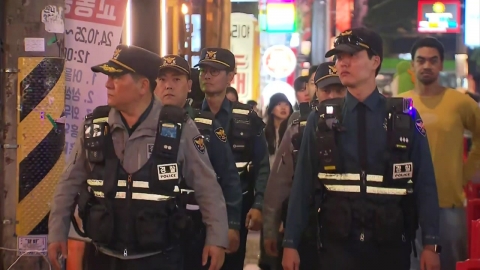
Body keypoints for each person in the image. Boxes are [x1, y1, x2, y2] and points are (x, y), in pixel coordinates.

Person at [47, 45, 228, 270]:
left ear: (143, 86)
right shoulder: (95, 126)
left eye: (116, 77)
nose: (107, 84)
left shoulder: (179, 127)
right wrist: (57, 232)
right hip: (103, 258)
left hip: (160, 259)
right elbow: (68, 184)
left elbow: (207, 187)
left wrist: (217, 239)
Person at [282, 28, 441, 270]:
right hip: (337, 247)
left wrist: (431, 244)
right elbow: (303, 183)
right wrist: (290, 242)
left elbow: (425, 182)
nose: (342, 63)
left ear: (375, 61)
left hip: (390, 247)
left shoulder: (405, 116)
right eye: (338, 57)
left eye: (353, 55)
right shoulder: (321, 119)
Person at [154, 54, 243, 269]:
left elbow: (228, 178)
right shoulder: (143, 126)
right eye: (163, 80)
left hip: (196, 228)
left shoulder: (205, 124)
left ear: (189, 85)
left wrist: (230, 226)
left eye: (176, 80)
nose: (169, 86)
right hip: (154, 229)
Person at [399, 37, 480, 270]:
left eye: (433, 61)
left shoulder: (459, 102)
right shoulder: (401, 103)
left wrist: (463, 175)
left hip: (448, 202)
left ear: (441, 65)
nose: (427, 66)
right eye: (421, 60)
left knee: (451, 263)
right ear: (412, 65)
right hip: (407, 203)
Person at [263, 61, 347, 270]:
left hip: (348, 228)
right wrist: (272, 230)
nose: (332, 96)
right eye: (327, 90)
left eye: (339, 90)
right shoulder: (298, 124)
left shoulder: (358, 122)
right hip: (308, 225)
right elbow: (280, 182)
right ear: (316, 91)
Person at [195, 47, 270, 270]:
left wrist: (258, 204)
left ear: (230, 77)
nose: (207, 76)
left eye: (215, 71)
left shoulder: (247, 118)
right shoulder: (190, 116)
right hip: (196, 209)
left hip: (237, 206)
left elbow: (262, 165)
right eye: (203, 70)